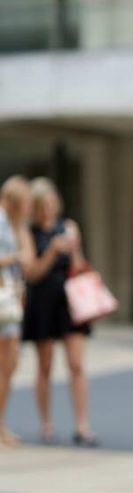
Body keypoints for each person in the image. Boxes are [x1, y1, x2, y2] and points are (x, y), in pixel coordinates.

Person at [22, 177, 97, 446]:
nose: (49, 210)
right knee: (44, 366)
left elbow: (79, 266)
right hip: (42, 302)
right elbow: (32, 273)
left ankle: (82, 425)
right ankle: (46, 424)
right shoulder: (28, 232)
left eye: (52, 204)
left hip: (69, 302)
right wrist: (52, 250)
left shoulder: (69, 227)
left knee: (76, 364)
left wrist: (74, 251)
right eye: (43, 205)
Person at [0, 176, 32, 446]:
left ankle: (1, 423)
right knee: (5, 365)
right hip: (3, 302)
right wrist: (14, 258)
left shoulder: (14, 224)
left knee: (10, 366)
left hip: (11, 301)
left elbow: (29, 260)